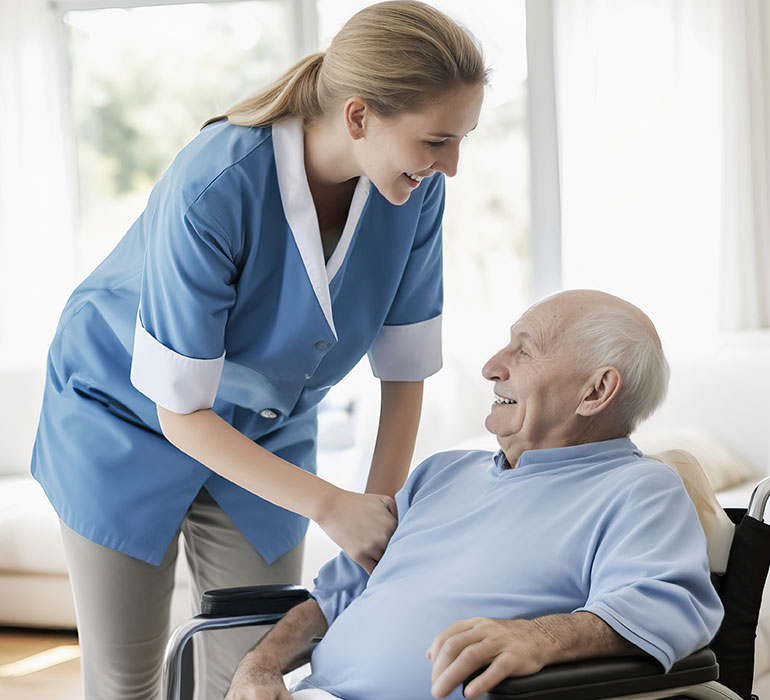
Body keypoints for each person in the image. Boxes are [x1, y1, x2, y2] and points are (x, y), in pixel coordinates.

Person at [30, 2, 487, 698]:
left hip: (266, 428)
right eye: (436, 141)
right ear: (359, 117)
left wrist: (377, 513)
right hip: (120, 417)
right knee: (126, 678)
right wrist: (331, 505)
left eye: (461, 140)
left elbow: (404, 370)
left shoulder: (415, 192)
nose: (451, 166)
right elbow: (179, 411)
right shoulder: (218, 183)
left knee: (253, 674)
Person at [225, 289, 724, 700]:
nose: (491, 367)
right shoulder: (441, 474)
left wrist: (541, 636)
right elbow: (334, 595)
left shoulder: (640, 489)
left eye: (524, 350)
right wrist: (260, 667)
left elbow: (667, 606)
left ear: (595, 391)